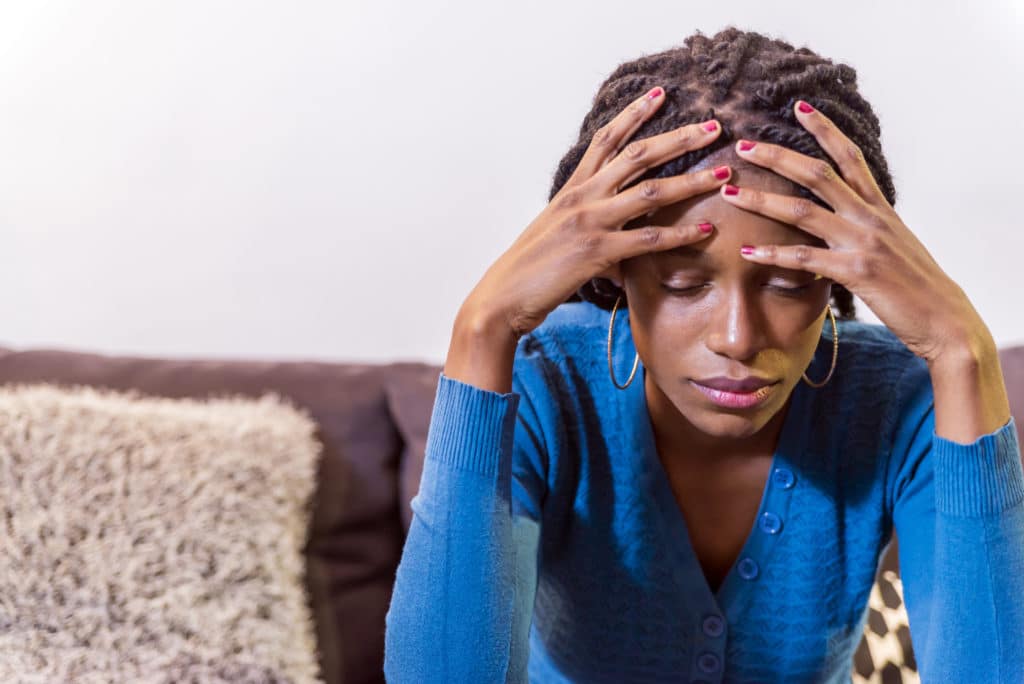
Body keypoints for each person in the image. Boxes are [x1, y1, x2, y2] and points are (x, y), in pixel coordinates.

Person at [383, 26, 1024, 683]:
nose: (737, 337)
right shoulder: (547, 387)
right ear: (619, 271)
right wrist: (482, 329)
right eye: (683, 282)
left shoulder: (895, 400)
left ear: (840, 274)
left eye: (790, 281)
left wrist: (960, 348)